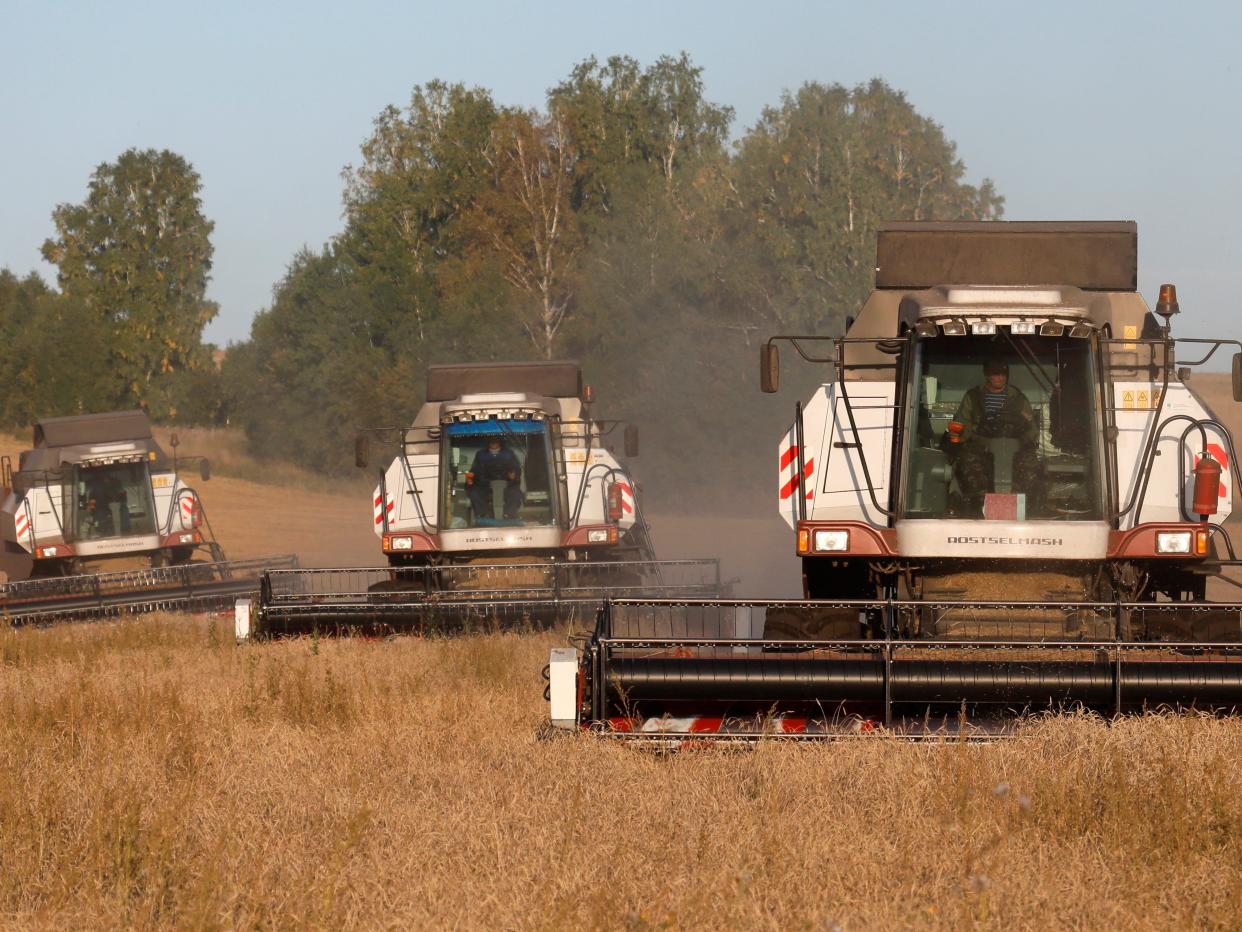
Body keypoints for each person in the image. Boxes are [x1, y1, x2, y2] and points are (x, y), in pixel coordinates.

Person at [946, 360, 1041, 515]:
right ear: (987, 375)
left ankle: (1027, 508)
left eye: (1003, 374)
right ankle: (979, 507)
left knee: (1032, 469)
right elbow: (962, 424)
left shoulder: (1018, 398)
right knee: (967, 467)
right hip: (980, 448)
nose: (1000, 378)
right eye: (995, 374)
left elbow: (1031, 429)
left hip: (1014, 448)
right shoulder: (973, 397)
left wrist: (1024, 439)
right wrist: (973, 434)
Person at [467, 438, 523, 521]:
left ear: (500, 441)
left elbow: (516, 469)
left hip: (506, 485)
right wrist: (472, 478)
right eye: (491, 440)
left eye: (495, 440)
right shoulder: (481, 454)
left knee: (516, 493)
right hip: (485, 486)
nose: (493, 442)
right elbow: (474, 470)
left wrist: (513, 475)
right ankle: (483, 516)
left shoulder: (509, 453)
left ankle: (509, 515)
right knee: (475, 493)